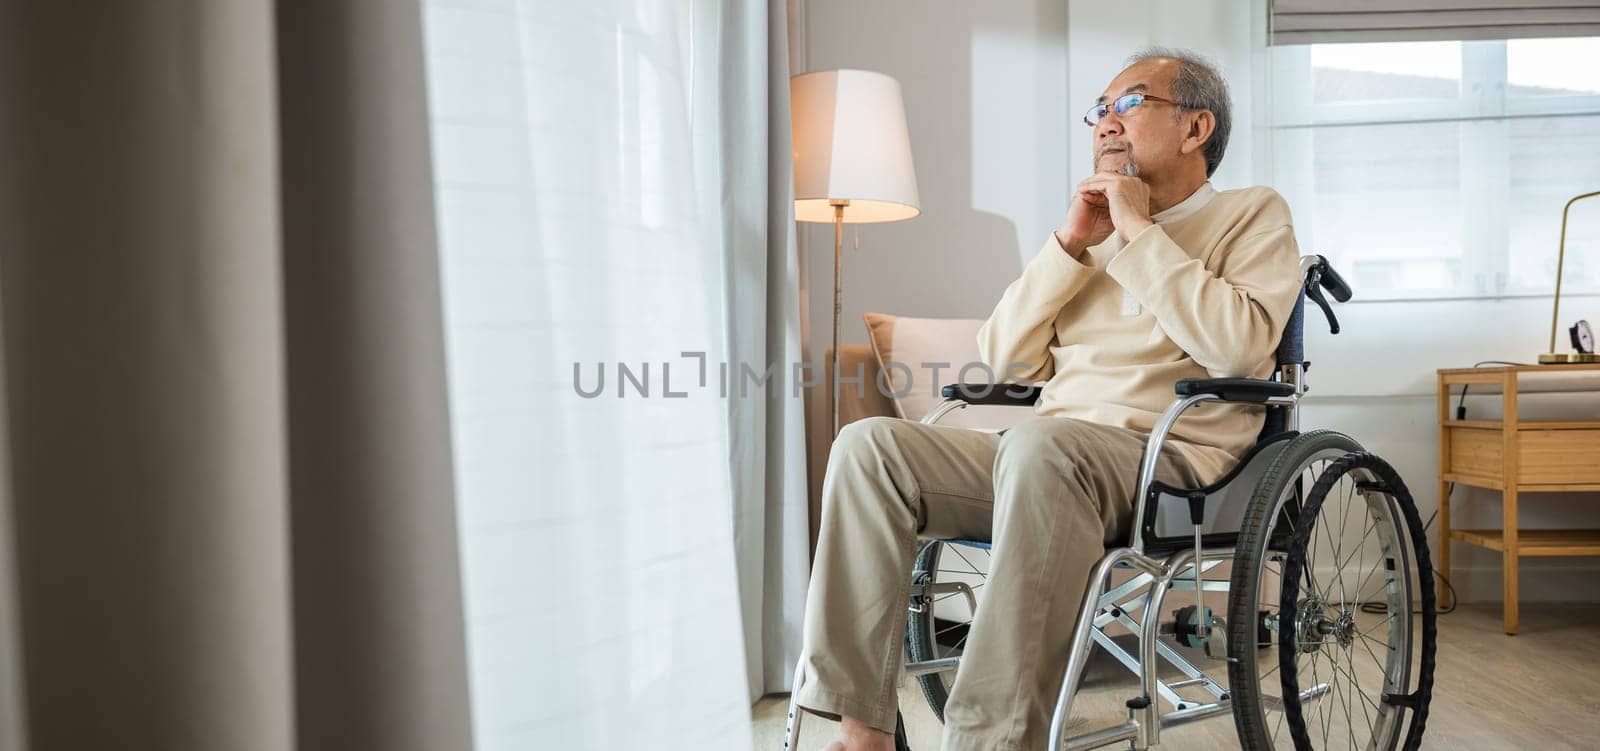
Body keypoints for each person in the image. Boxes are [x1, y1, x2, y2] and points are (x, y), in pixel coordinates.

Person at [793, 47, 1304, 750]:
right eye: (1099, 111)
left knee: (1042, 444)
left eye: (1129, 104)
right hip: (1046, 459)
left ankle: (990, 741)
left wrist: (1139, 233)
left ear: (1195, 128)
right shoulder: (1090, 236)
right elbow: (1003, 358)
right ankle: (863, 733)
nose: (1105, 125)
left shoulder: (1252, 214)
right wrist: (1069, 244)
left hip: (1169, 463)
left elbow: (1241, 346)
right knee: (869, 446)